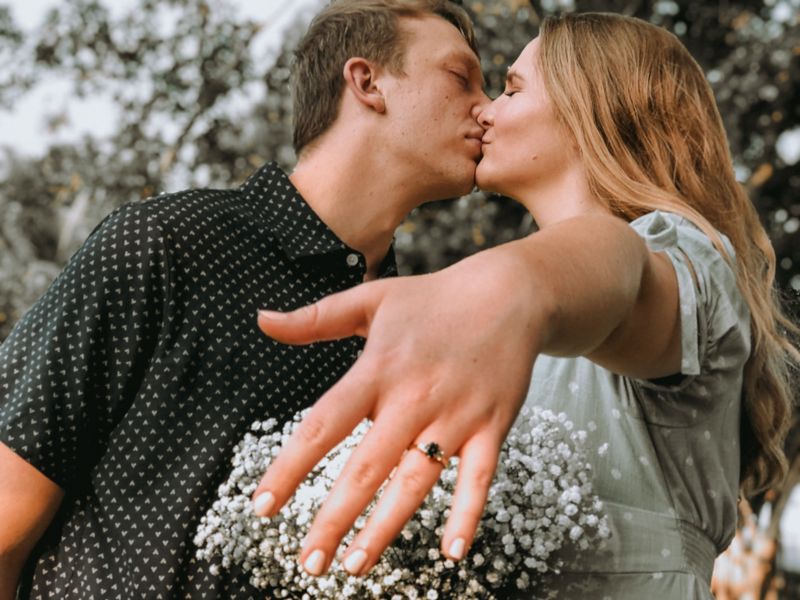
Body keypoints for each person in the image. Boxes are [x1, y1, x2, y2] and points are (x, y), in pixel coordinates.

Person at [252, 11, 799, 598]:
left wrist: (510, 285)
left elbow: (623, 268)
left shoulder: (685, 257)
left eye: (511, 90)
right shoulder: (500, 332)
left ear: (593, 109)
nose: (485, 110)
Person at [0, 1, 489, 597]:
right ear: (367, 82)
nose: (486, 108)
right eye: (461, 78)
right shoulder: (165, 243)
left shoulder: (419, 332)